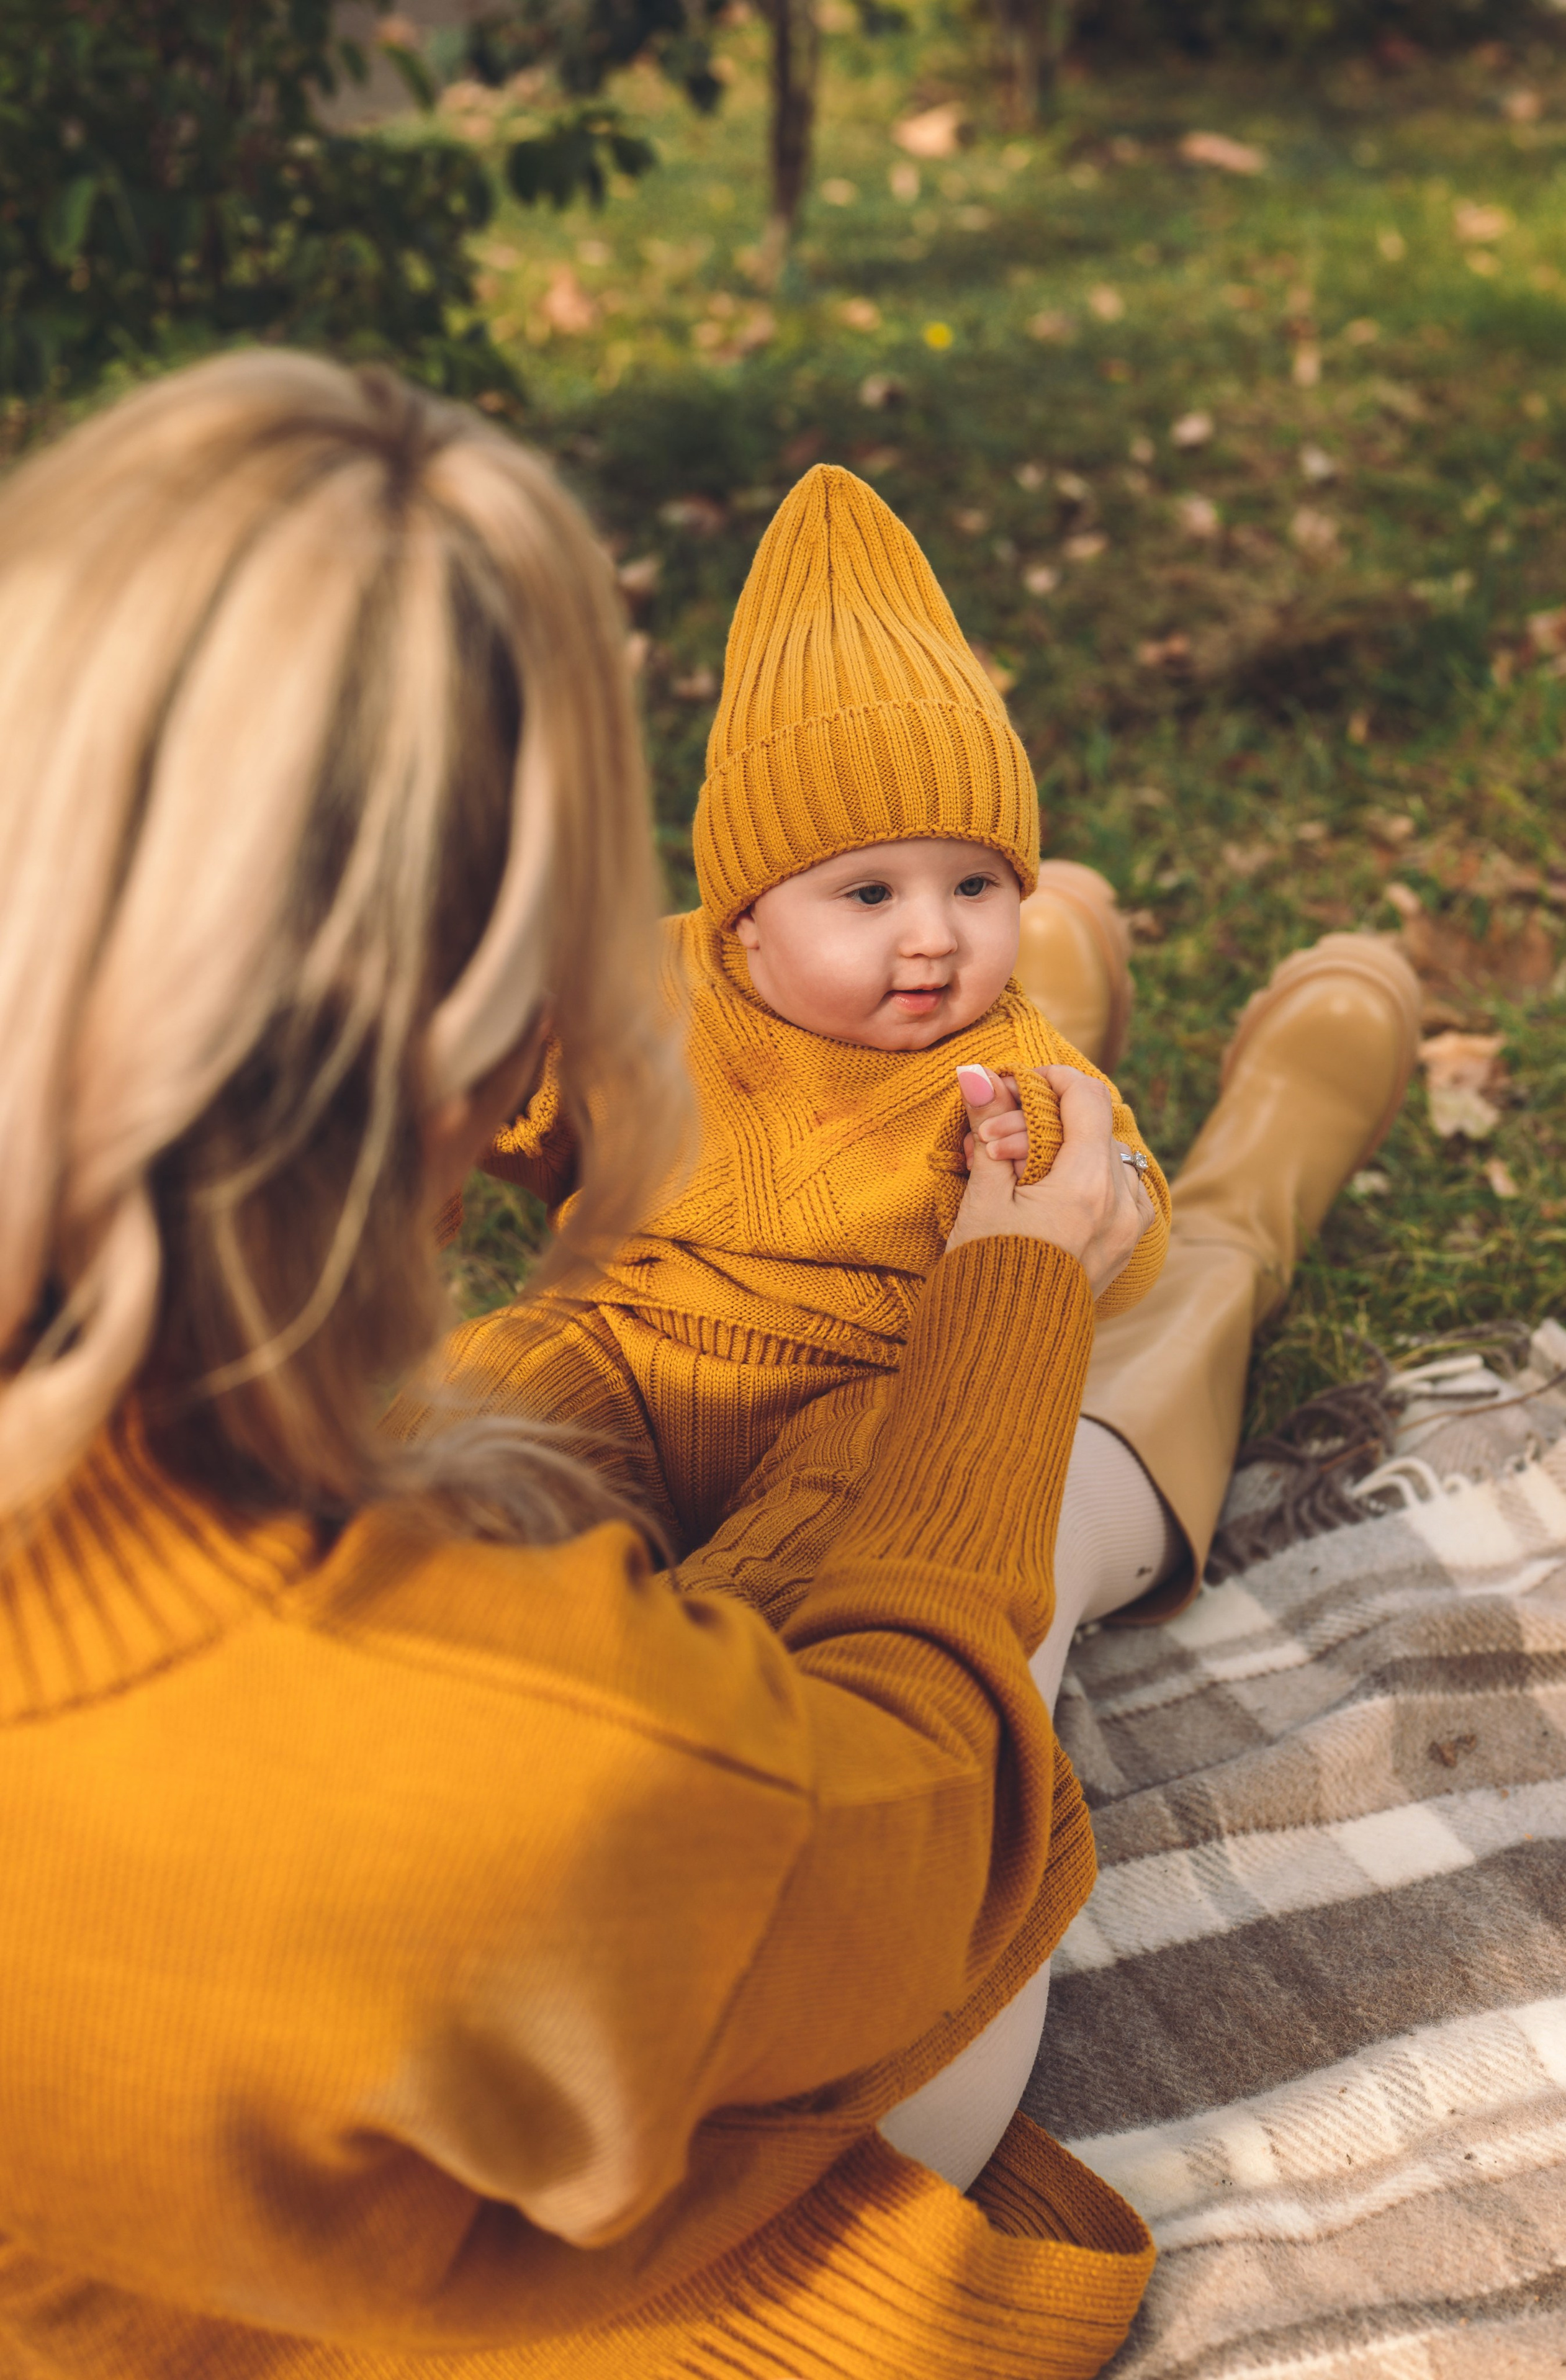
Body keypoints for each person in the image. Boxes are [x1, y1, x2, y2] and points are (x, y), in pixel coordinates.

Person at [0, 351, 1164, 2380]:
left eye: (974, 894)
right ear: (488, 1058)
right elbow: (928, 1853)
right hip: (663, 2150)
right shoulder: (526, 1738)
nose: (924, 939)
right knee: (1028, 1527)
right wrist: (1004, 1314)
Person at [441, 465, 1423, 2188]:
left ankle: (1209, 1093)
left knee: (859, 1531)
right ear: (743, 913)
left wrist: (1088, 1200)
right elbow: (531, 1105)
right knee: (498, 1412)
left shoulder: (1007, 1080)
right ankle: (475, 1596)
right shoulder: (657, 991)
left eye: (981, 889)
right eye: (873, 895)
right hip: (641, 1327)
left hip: (857, 1379)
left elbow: (1083, 1238)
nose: (938, 940)